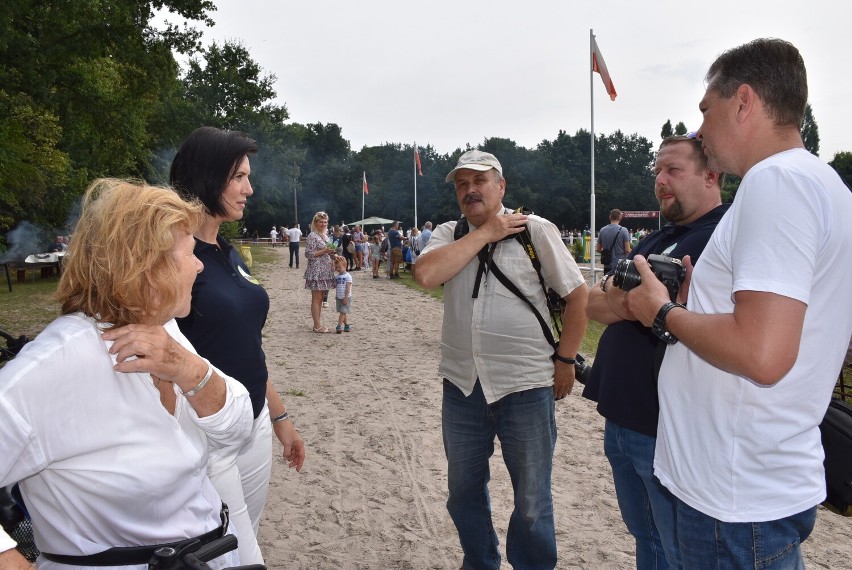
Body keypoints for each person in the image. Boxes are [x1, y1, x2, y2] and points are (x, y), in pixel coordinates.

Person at [624, 39, 852, 569]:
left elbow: (762, 353)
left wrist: (661, 311)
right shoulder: (827, 186)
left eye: (707, 109)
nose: (701, 128)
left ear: (743, 101)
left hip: (729, 495)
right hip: (753, 479)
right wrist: (695, 299)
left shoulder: (776, 182)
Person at [0, 179, 252, 570]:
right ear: (147, 268)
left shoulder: (164, 328)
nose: (201, 264)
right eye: (189, 253)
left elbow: (238, 426)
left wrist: (187, 368)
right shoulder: (52, 366)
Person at [415, 149, 589, 569]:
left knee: (531, 500)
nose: (470, 190)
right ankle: (481, 562)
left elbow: (578, 295)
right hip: (462, 384)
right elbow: (425, 275)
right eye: (462, 184)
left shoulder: (535, 229)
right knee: (462, 493)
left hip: (526, 384)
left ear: (501, 186)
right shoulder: (450, 232)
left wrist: (565, 361)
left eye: (479, 181)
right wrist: (483, 234)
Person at [583, 133, 727, 569]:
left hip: (665, 425)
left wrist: (628, 299)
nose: (661, 181)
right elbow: (592, 303)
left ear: (711, 175)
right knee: (647, 537)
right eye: (658, 171)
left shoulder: (721, 237)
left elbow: (654, 310)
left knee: (674, 547)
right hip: (623, 416)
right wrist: (631, 299)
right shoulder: (659, 238)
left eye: (673, 171)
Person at [170, 126, 305, 565]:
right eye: (239, 177)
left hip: (255, 422)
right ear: (208, 177)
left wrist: (279, 417)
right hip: (206, 431)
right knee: (234, 556)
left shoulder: (225, 250)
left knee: (249, 532)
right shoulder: (173, 255)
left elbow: (247, 344)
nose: (250, 188)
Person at [304, 211, 337, 332]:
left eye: (325, 222)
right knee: (316, 299)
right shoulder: (312, 236)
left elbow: (330, 251)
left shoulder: (325, 235)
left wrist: (335, 256)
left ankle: (318, 324)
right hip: (316, 271)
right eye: (321, 222)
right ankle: (317, 326)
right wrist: (324, 251)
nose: (323, 224)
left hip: (325, 270)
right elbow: (308, 254)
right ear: (315, 223)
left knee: (322, 298)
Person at [596, 209, 631, 274]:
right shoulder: (624, 230)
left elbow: (598, 249)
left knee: (607, 283)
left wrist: (608, 254)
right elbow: (627, 250)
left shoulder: (602, 230)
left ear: (610, 217)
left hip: (607, 264)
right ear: (620, 217)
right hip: (620, 265)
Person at [333, 256, 353, 333]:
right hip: (339, 297)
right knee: (343, 312)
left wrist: (346, 297)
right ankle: (346, 325)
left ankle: (339, 326)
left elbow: (348, 287)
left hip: (346, 297)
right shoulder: (337, 276)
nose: (338, 269)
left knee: (342, 312)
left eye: (339, 267)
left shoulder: (348, 276)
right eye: (336, 267)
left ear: (345, 266)